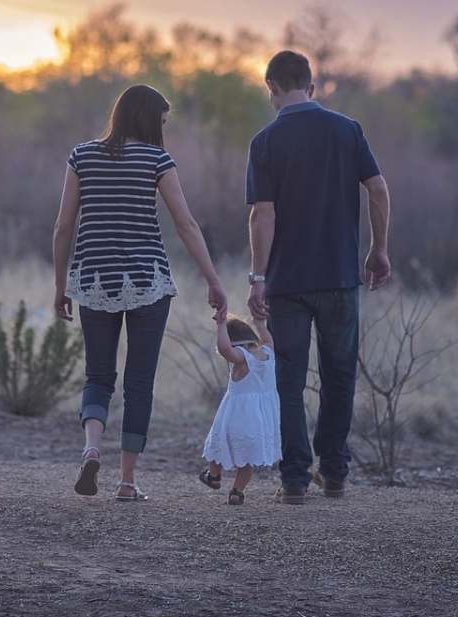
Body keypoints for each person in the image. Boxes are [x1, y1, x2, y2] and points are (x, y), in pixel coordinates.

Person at [53, 84, 227, 502]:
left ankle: (91, 448)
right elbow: (186, 224)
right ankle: (126, 481)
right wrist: (213, 280)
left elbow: (63, 227)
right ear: (148, 119)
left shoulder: (81, 156)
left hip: (94, 280)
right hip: (148, 281)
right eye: (161, 122)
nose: (162, 130)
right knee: (139, 383)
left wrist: (61, 286)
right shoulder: (156, 160)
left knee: (98, 376)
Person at [245, 50, 392, 505]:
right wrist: (379, 248)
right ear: (311, 87)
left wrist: (257, 276)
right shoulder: (348, 130)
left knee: (288, 381)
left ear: (271, 87)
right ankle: (334, 472)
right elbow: (378, 189)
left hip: (287, 283)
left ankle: (294, 479)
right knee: (339, 376)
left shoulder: (265, 141)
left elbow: (262, 215)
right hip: (340, 277)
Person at [199, 313, 280, 506]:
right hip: (260, 420)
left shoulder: (242, 358)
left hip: (236, 416)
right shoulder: (268, 354)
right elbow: (268, 340)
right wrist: (260, 324)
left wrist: (221, 326)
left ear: (235, 343)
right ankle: (237, 492)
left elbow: (225, 349)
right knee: (247, 458)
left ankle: (214, 476)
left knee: (217, 444)